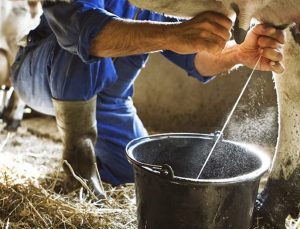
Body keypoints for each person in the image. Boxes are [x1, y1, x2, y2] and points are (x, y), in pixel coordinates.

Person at [11, 0, 285, 198]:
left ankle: (101, 161)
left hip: (110, 102)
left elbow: (196, 58)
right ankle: (77, 167)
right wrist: (173, 35)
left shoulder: (158, 1)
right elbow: (80, 30)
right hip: (39, 71)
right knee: (83, 43)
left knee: (138, 175)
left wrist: (238, 53)